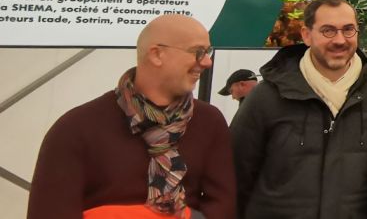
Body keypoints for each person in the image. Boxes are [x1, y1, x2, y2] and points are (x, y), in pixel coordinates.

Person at [28, 14, 236, 219]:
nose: (207, 62)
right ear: (156, 55)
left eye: (207, 51)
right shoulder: (76, 128)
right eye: (198, 52)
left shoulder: (209, 121)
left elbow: (223, 205)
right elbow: (49, 211)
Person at [231, 0, 367, 219]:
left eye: (348, 30)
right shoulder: (267, 96)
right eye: (328, 31)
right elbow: (236, 175)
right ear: (306, 35)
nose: (340, 40)